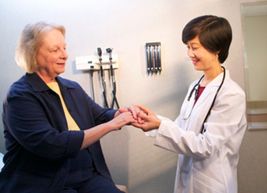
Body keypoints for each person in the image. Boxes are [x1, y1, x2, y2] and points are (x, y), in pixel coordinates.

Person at [0, 22, 136, 193]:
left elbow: (100, 114)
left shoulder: (72, 88)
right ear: (33, 54)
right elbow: (52, 144)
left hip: (85, 174)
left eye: (64, 48)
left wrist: (120, 113)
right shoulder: (19, 96)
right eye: (55, 50)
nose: (65, 55)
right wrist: (110, 125)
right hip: (44, 182)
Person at [132, 15, 247, 193]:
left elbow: (206, 146)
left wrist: (160, 125)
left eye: (194, 47)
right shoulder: (195, 86)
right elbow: (182, 127)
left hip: (213, 183)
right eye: (188, 47)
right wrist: (152, 122)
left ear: (217, 48)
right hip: (188, 179)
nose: (189, 54)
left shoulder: (231, 94)